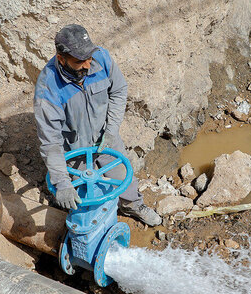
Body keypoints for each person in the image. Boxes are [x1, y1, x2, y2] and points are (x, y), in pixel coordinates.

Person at [33, 24, 162, 226]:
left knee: (122, 178)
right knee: (84, 199)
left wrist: (111, 130)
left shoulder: (101, 58)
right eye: (79, 61)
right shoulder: (48, 88)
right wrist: (63, 183)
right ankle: (95, 225)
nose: (87, 65)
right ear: (61, 59)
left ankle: (133, 205)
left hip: (105, 138)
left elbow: (119, 90)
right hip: (75, 150)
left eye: (88, 58)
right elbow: (51, 142)